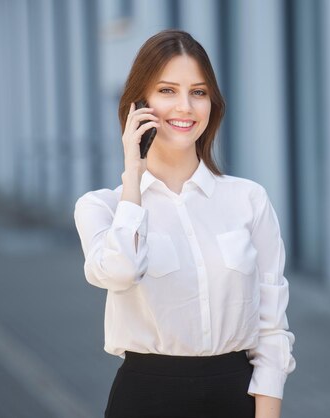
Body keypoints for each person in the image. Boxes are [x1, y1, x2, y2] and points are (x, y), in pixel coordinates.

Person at [73, 29, 296, 418]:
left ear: (212, 103)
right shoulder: (102, 207)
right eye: (166, 91)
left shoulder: (248, 200)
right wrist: (133, 175)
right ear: (137, 105)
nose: (185, 107)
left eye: (198, 92)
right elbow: (119, 272)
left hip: (235, 395)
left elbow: (272, 327)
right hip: (145, 399)